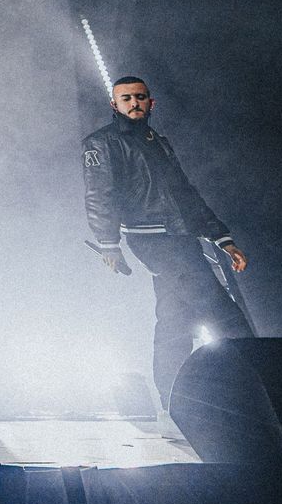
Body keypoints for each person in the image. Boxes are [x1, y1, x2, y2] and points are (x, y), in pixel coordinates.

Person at [82, 77, 252, 408]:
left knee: (175, 319)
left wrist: (222, 238)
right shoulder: (101, 143)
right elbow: (99, 194)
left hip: (181, 236)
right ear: (114, 105)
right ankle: (263, 379)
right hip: (151, 239)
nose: (134, 103)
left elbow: (185, 193)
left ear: (151, 102)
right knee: (221, 310)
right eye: (126, 98)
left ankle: (173, 403)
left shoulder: (158, 142)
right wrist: (108, 243)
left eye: (140, 97)